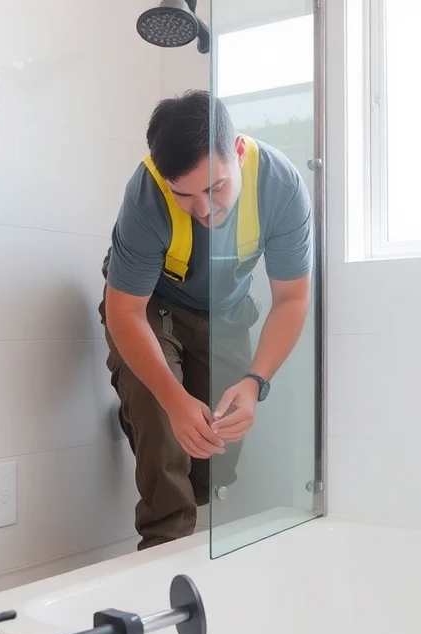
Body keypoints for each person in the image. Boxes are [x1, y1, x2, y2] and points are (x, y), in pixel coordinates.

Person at [99, 90, 314, 550]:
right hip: (152, 306)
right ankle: (163, 550)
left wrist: (256, 382)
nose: (203, 209)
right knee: (162, 422)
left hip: (225, 313)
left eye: (215, 188)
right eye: (185, 195)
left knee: (215, 457)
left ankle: (141, 420)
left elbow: (292, 297)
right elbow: (125, 310)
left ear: (237, 151)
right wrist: (170, 400)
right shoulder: (145, 194)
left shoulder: (282, 186)